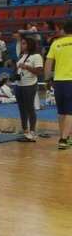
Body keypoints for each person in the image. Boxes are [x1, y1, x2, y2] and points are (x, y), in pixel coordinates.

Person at [45, 21, 72, 149]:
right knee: (70, 112)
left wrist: (47, 80)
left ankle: (64, 137)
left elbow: (48, 63)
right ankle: (64, 139)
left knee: (62, 112)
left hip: (59, 82)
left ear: (64, 30)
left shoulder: (56, 43)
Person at [15, 37, 44, 142]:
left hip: (29, 85)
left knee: (29, 108)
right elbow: (18, 70)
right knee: (21, 109)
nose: (22, 45)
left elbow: (39, 72)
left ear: (29, 45)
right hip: (19, 85)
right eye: (21, 43)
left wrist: (26, 67)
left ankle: (32, 131)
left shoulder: (36, 56)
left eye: (24, 43)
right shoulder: (22, 56)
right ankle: (25, 130)